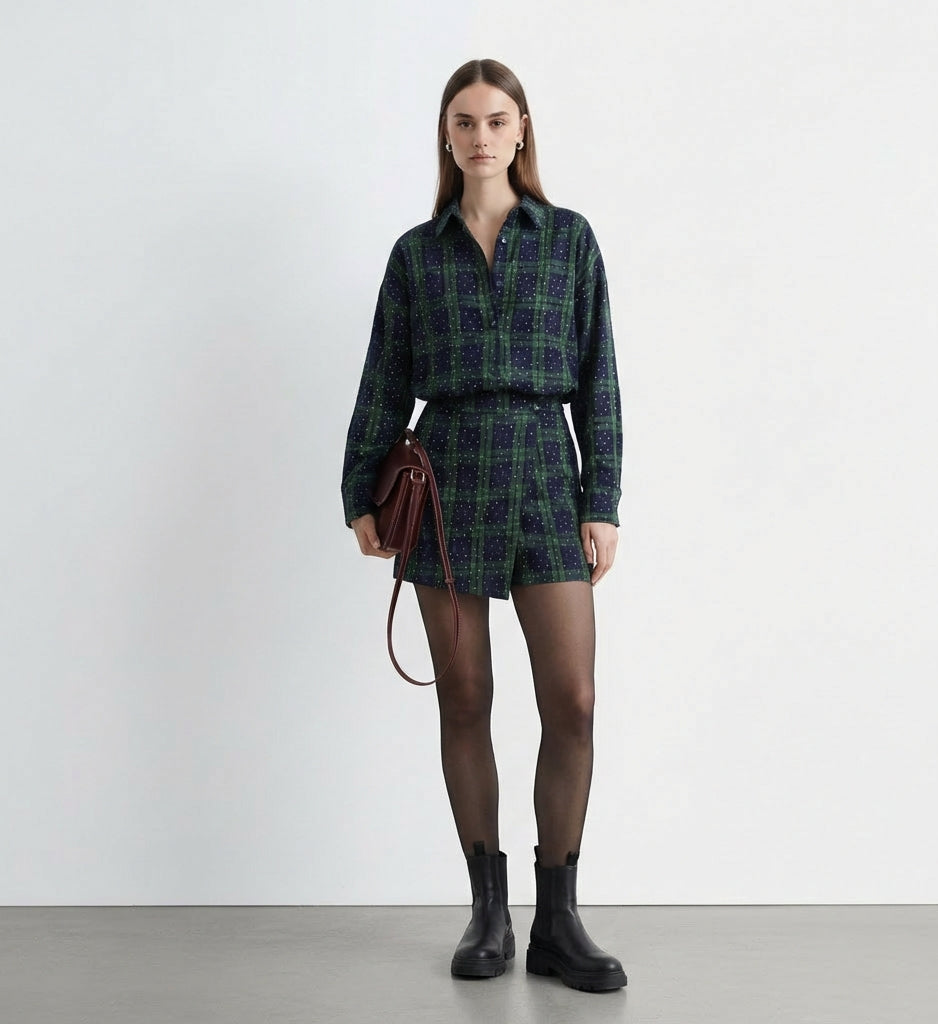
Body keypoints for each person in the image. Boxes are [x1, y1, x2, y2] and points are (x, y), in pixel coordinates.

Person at [341, 58, 626, 994]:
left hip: (546, 472)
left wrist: (601, 500)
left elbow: (599, 378)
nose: (480, 136)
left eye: (497, 119)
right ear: (446, 134)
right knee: (464, 699)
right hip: (449, 476)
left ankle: (560, 921)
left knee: (572, 700)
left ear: (522, 129)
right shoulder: (415, 256)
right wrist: (359, 494)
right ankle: (488, 914)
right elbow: (383, 381)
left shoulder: (569, 239)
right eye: (463, 121)